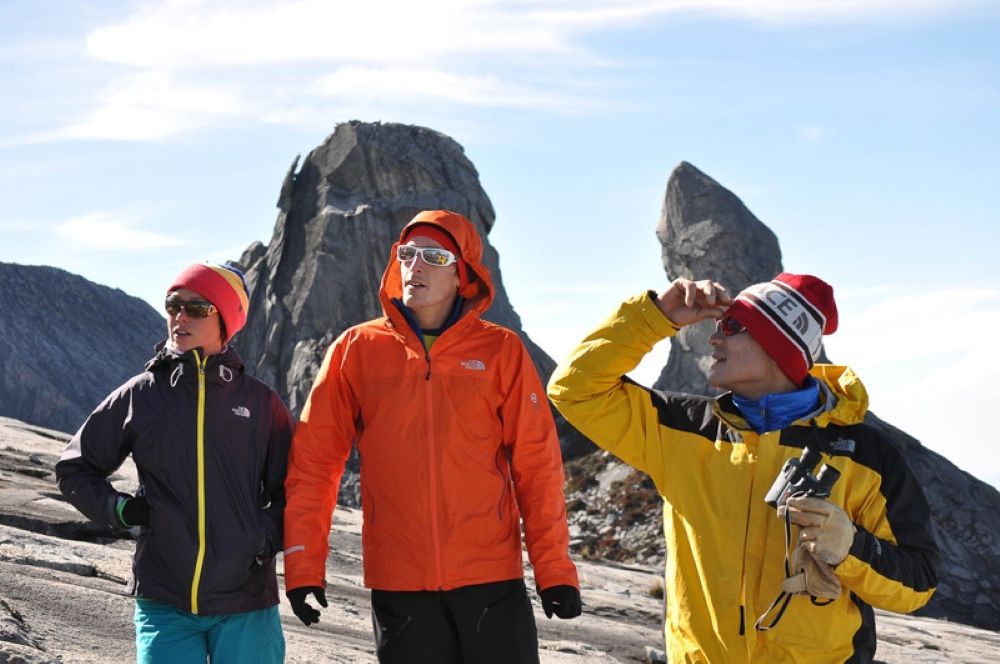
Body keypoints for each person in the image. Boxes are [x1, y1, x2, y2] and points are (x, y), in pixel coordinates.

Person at [547, 273, 939, 663]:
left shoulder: (867, 454)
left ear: (778, 346)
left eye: (732, 326)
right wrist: (655, 316)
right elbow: (575, 389)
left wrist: (852, 547)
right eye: (718, 325)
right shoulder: (682, 426)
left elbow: (917, 584)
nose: (714, 338)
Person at [283, 209, 581, 663]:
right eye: (406, 253)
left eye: (433, 256)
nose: (414, 265)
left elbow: (537, 466)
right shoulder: (355, 350)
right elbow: (314, 464)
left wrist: (554, 570)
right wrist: (305, 566)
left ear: (463, 274)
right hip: (401, 591)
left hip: (491, 584)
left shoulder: (501, 351)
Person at [56, 261, 293, 664]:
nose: (180, 316)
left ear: (226, 320)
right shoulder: (142, 395)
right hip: (164, 598)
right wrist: (121, 510)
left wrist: (262, 537)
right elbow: (74, 468)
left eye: (197, 308)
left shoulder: (260, 403)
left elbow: (295, 489)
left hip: (246, 602)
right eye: (173, 304)